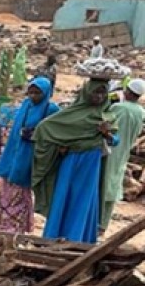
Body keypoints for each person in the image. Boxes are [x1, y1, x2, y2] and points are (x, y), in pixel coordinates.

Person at [33, 77, 120, 244]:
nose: (99, 97)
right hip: (71, 160)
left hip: (91, 163)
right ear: (87, 92)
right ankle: (54, 236)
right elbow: (45, 128)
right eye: (96, 92)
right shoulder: (71, 112)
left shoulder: (107, 113)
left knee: (83, 199)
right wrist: (59, 146)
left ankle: (77, 239)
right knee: (64, 195)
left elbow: (115, 141)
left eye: (103, 93)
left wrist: (106, 133)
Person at [0, 77, 59, 235]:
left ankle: (16, 229)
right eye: (31, 92)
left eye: (38, 93)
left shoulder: (51, 110)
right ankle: (1, 226)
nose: (33, 96)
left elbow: (53, 132)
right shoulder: (25, 105)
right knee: (5, 190)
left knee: (20, 192)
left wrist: (35, 134)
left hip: (28, 156)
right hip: (12, 153)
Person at [102, 79, 145, 230]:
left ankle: (97, 221)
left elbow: (104, 119)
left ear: (127, 91)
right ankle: (104, 224)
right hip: (125, 149)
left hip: (109, 148)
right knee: (113, 184)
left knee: (103, 183)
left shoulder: (118, 107)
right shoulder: (141, 112)